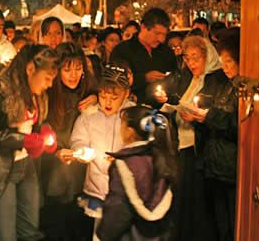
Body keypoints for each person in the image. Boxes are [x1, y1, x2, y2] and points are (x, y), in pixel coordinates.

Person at [0, 45, 60, 241]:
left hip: (26, 166)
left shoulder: (37, 93)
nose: (50, 84)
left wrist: (43, 130)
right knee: (5, 235)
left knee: (29, 230)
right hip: (0, 169)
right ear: (30, 69)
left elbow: (33, 123)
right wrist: (22, 140)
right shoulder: (0, 90)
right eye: (47, 78)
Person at [152, 35, 229, 241]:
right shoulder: (187, 77)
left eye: (196, 58)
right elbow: (180, 100)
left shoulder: (215, 79)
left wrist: (198, 117)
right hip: (181, 145)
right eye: (188, 58)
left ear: (207, 56)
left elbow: (215, 113)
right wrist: (169, 103)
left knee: (198, 203)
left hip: (200, 150)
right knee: (183, 200)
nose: (192, 63)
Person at [70, 64, 135, 239]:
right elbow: (78, 139)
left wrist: (125, 159)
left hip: (126, 188)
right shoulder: (89, 114)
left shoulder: (133, 115)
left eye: (114, 98)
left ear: (126, 94)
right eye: (103, 96)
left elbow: (144, 146)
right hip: (97, 185)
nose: (107, 102)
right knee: (100, 233)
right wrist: (81, 150)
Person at [40, 42, 98, 241]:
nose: (73, 75)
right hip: (54, 169)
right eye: (67, 69)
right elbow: (41, 128)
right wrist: (55, 151)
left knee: (80, 225)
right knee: (57, 224)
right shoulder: (47, 93)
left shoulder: (90, 92)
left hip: (82, 173)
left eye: (78, 68)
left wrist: (97, 97)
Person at [97, 106, 178, 241]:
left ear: (129, 131)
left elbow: (118, 210)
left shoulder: (125, 164)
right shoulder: (162, 157)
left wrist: (103, 235)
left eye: (122, 123)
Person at [202, 27, 239, 241]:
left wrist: (211, 115)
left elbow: (238, 127)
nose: (224, 67)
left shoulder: (243, 87)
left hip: (233, 168)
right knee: (219, 224)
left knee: (234, 225)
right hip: (215, 166)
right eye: (222, 61)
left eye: (229, 62)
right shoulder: (221, 82)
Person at [110, 8, 176, 104]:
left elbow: (175, 80)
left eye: (164, 34)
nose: (161, 39)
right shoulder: (122, 50)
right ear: (143, 27)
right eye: (157, 33)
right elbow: (114, 80)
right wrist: (144, 78)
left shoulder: (167, 52)